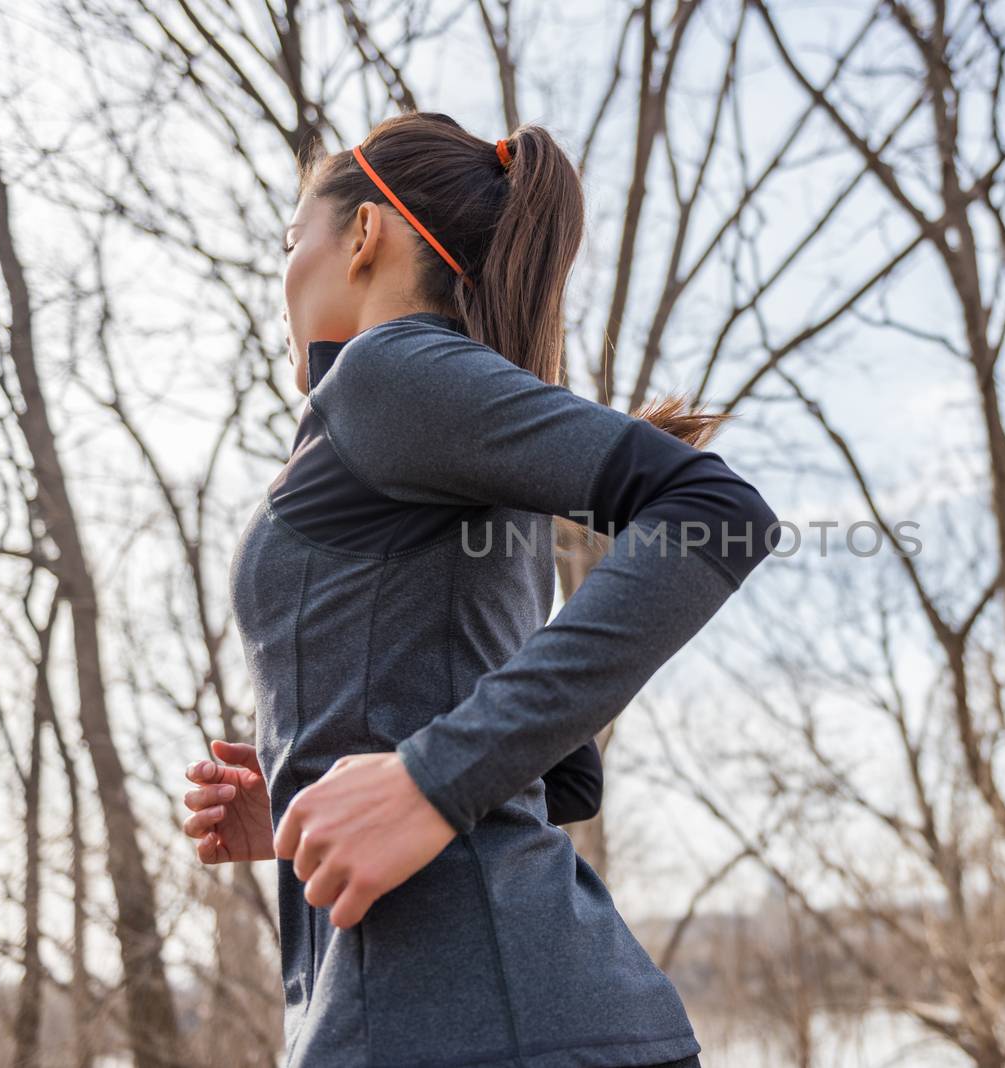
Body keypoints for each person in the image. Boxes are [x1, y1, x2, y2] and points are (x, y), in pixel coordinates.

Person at [180, 111, 779, 1068]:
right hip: (513, 1020)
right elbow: (561, 776)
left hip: (479, 1035)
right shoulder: (432, 427)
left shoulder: (389, 373)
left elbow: (718, 508)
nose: (284, 274)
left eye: (294, 240)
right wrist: (309, 793)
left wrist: (427, 779)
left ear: (365, 234)